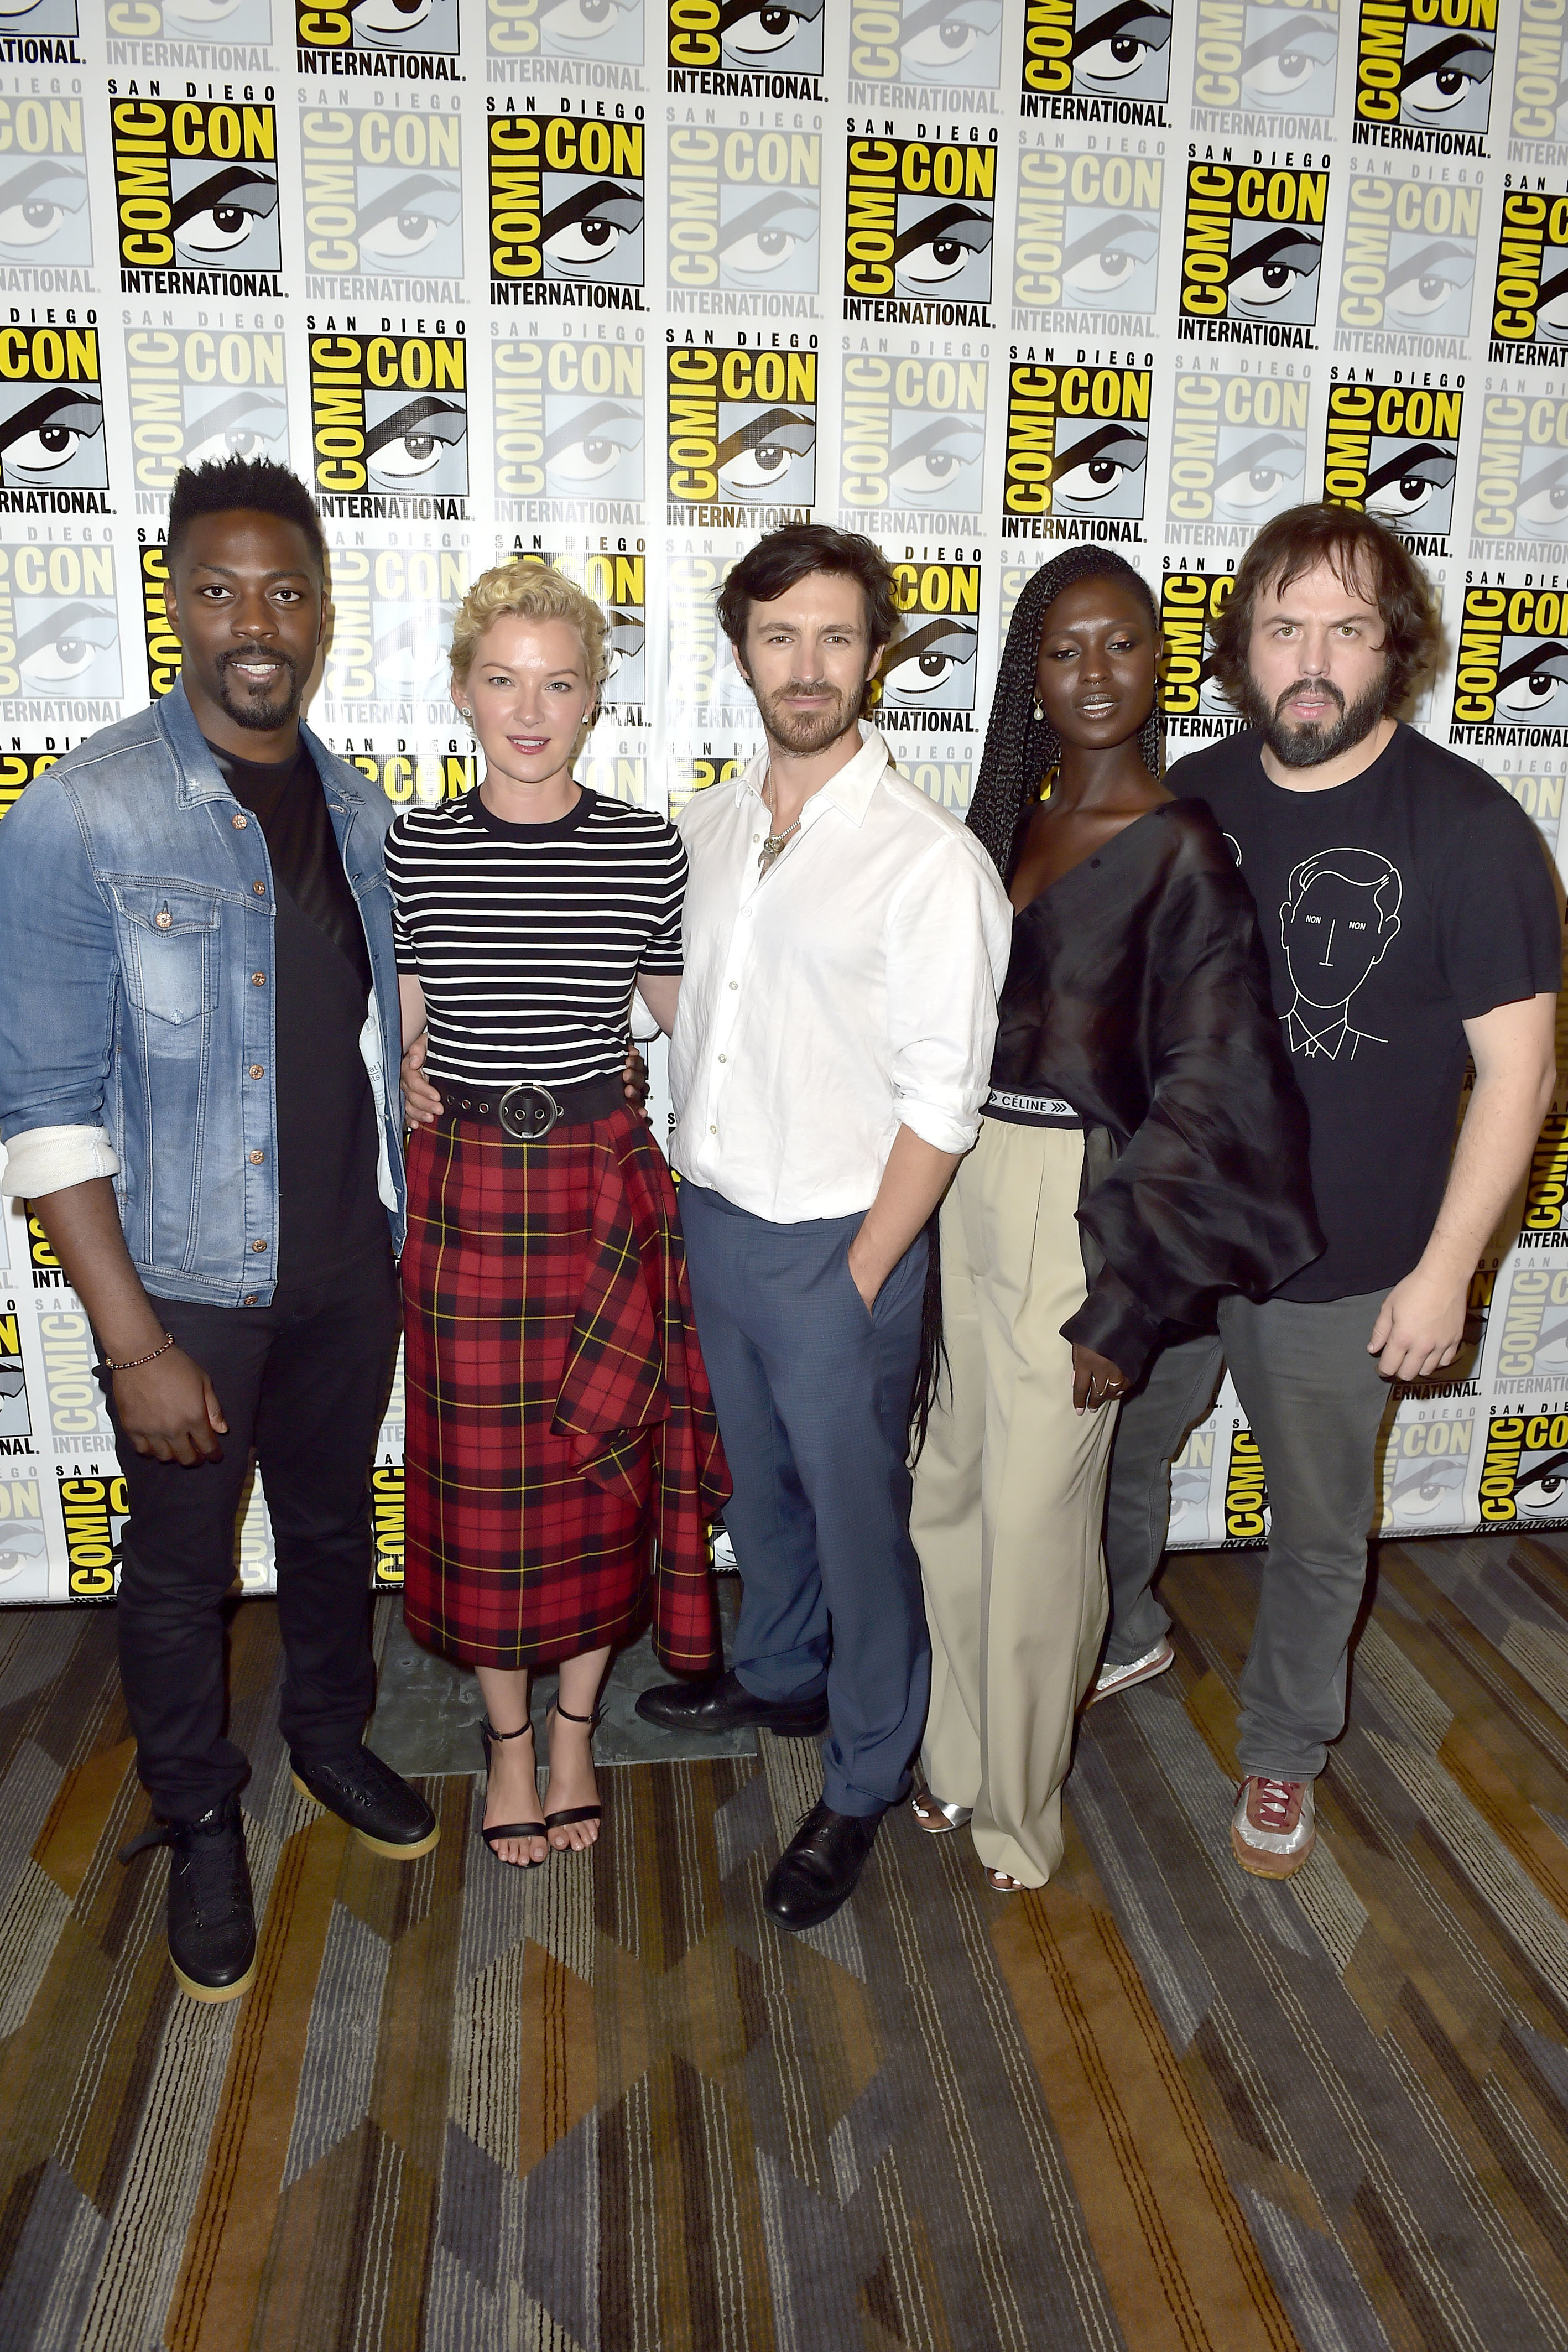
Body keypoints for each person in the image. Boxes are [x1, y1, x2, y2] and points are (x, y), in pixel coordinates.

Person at [0, 456, 436, 2004]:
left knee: (328, 1530)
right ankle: (196, 1814)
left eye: (284, 590)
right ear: (174, 602)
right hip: (187, 1282)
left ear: (321, 613)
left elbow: (367, 1037)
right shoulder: (84, 809)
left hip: (348, 1265)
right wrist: (134, 1343)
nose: (255, 620)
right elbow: (44, 1106)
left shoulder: (363, 813)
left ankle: (329, 1738)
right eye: (219, 588)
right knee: (181, 1568)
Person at [1095, 506, 1560, 1879]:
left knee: (1312, 1527)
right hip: (1179, 1237)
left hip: (1349, 1260)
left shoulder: (1469, 828)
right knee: (1111, 1460)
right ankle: (1123, 1631)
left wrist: (1444, 1272)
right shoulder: (1186, 795)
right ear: (1240, 647)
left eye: (1345, 630)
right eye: (1282, 627)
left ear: (1392, 648)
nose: (1310, 661)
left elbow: (1520, 1074)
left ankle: (1284, 1746)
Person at [907, 547, 1321, 1893]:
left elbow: (1213, 1092)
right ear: (1028, 670)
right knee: (948, 1493)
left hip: (1078, 1205)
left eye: (1122, 642)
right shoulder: (1001, 824)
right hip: (960, 1180)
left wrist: (1127, 1302)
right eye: (1063, 647)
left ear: (1161, 660)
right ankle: (957, 1753)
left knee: (1035, 1526)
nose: (1094, 672)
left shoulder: (1181, 847)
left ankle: (1017, 1812)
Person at [634, 524, 1012, 1933]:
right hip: (714, 1215)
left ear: (875, 656)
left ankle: (862, 1774)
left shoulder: (926, 861)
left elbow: (941, 1103)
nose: (806, 665)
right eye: (779, 635)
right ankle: (782, 1675)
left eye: (835, 637)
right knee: (757, 1491)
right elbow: (695, 1012)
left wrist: (859, 1275)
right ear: (742, 653)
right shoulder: (706, 829)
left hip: (841, 1240)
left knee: (859, 1526)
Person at [389, 563, 727, 1870]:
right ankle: (508, 1744)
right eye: (502, 680)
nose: (529, 711)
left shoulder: (646, 846)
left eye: (558, 683)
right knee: (482, 1491)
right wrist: (400, 1073)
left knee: (598, 1477)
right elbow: (399, 1023)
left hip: (599, 1185)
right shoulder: (415, 846)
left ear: (593, 699)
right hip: (466, 1195)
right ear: (464, 691)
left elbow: (685, 1016)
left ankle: (574, 1729)